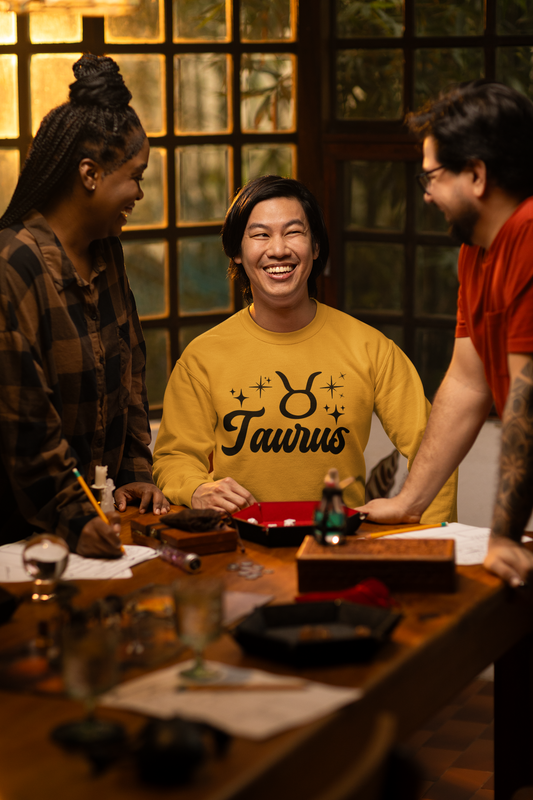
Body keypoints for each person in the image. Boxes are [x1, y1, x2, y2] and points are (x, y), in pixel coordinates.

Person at [153, 175, 457, 523]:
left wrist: (434, 538)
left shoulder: (371, 348)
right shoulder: (202, 357)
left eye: (293, 231)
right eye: (260, 234)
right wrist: (195, 488)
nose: (278, 249)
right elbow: (174, 456)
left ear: (315, 247)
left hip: (337, 547)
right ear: (237, 252)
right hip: (240, 553)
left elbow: (435, 446)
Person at [357, 80, 533, 587]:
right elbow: (468, 379)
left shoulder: (528, 235)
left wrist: (503, 535)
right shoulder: (476, 249)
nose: (427, 193)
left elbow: (526, 400)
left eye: (431, 176)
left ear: (476, 175)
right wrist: (410, 501)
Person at [0, 53, 169, 559]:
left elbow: (130, 377)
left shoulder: (107, 253)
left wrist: (136, 474)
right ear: (90, 174)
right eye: (135, 176)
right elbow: (25, 422)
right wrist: (74, 516)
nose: (139, 192)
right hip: (22, 542)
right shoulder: (12, 267)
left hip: (98, 525)